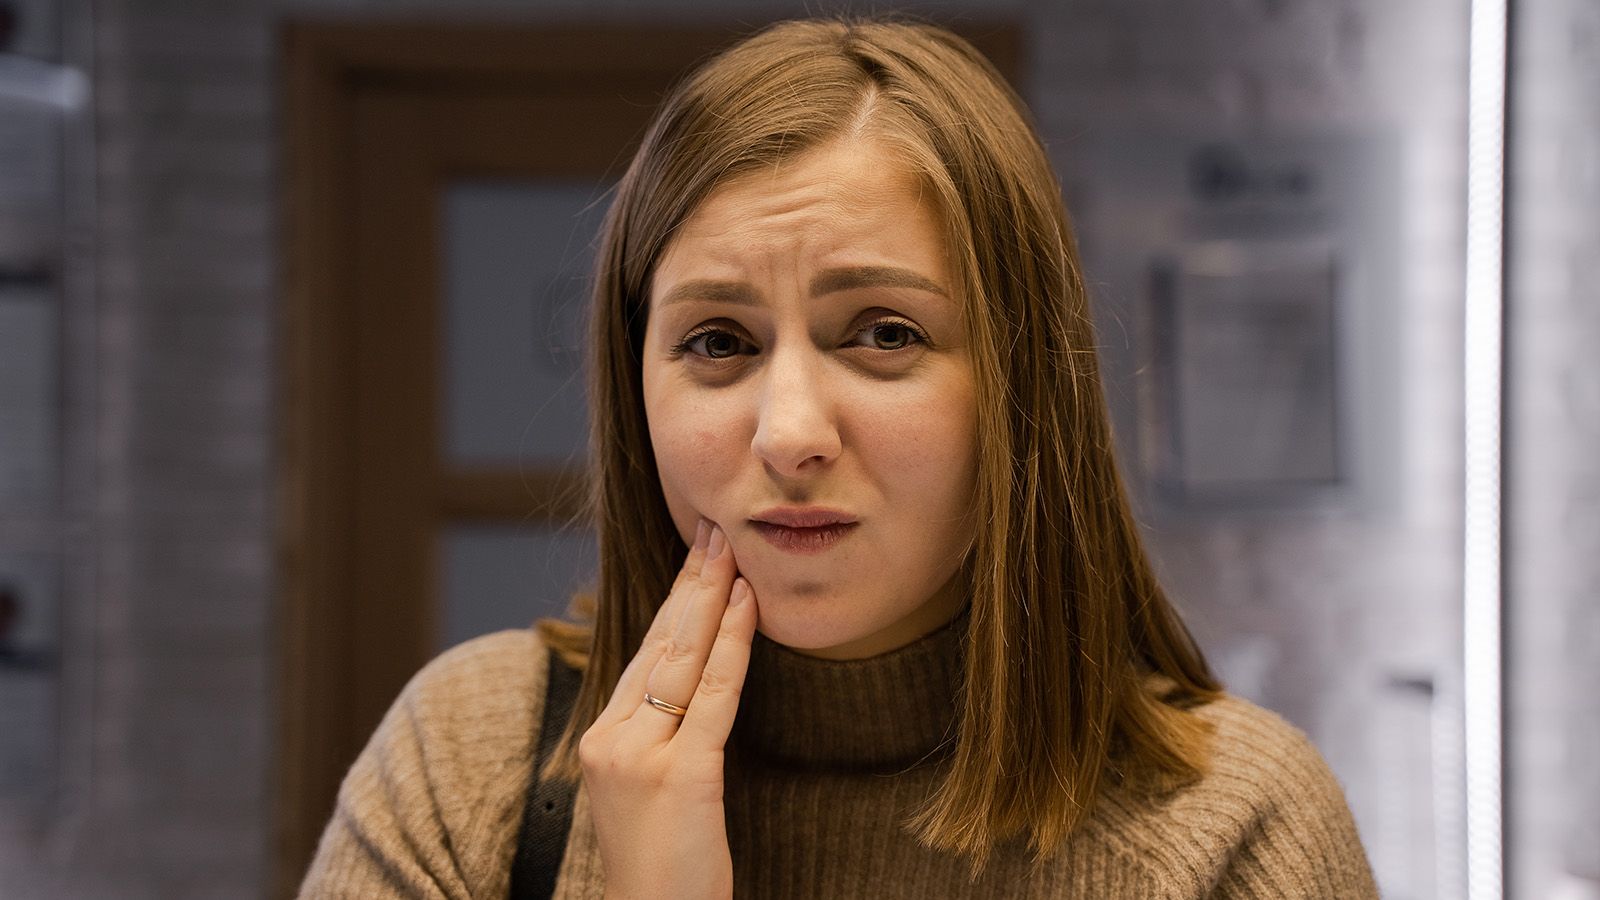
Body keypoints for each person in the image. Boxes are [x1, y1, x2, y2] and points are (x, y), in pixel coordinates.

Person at [298, 16, 1378, 900]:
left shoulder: (1234, 828)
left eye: (884, 334)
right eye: (717, 343)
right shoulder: (470, 762)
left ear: (1018, 386)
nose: (790, 433)